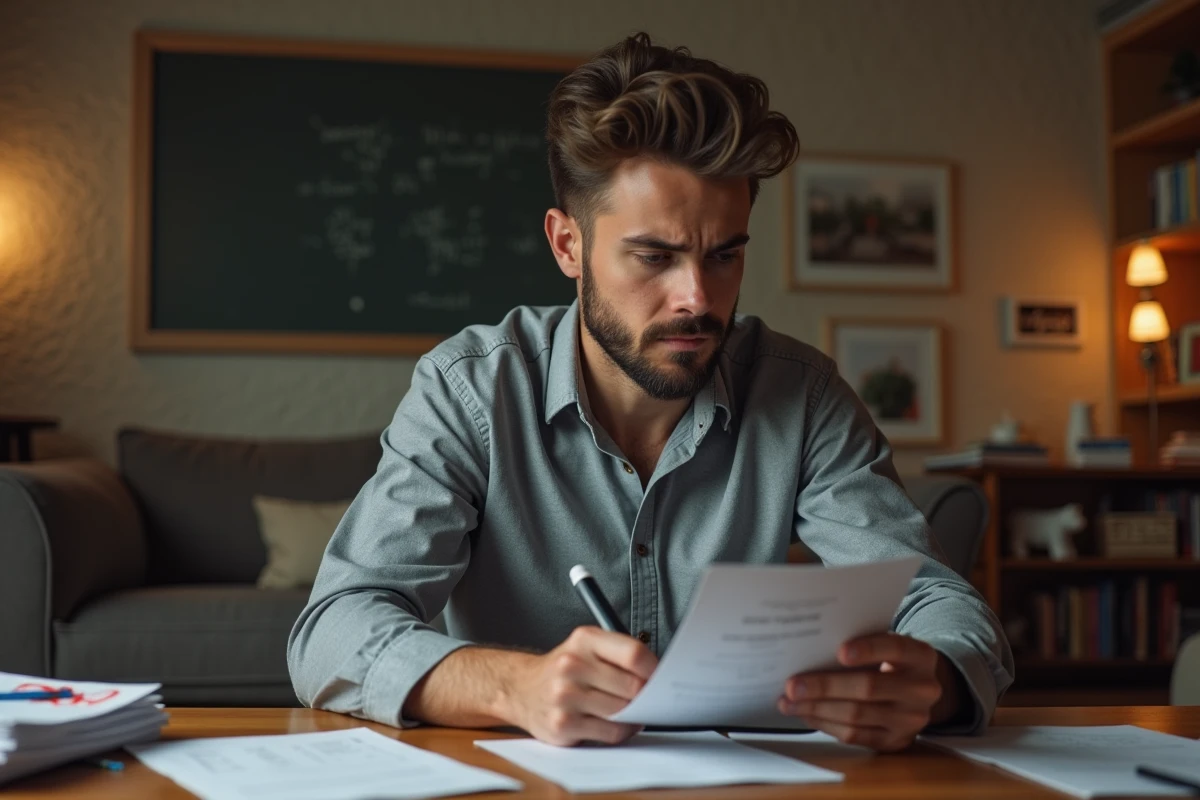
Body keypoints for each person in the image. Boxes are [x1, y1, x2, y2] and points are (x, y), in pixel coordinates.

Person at [288, 32, 1013, 751]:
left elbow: (937, 602)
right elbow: (335, 626)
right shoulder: (470, 390)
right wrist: (520, 687)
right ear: (568, 245)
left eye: (724, 255)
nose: (697, 298)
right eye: (654, 257)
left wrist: (934, 685)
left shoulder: (804, 396)